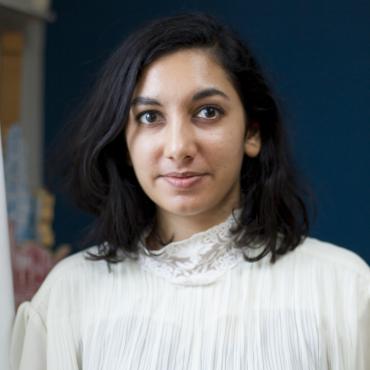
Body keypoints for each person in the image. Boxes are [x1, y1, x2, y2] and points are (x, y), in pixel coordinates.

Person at [10, 13, 369, 370]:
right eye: (150, 117)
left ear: (252, 133)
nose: (178, 146)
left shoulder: (344, 291)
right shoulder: (66, 298)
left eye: (208, 112)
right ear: (123, 141)